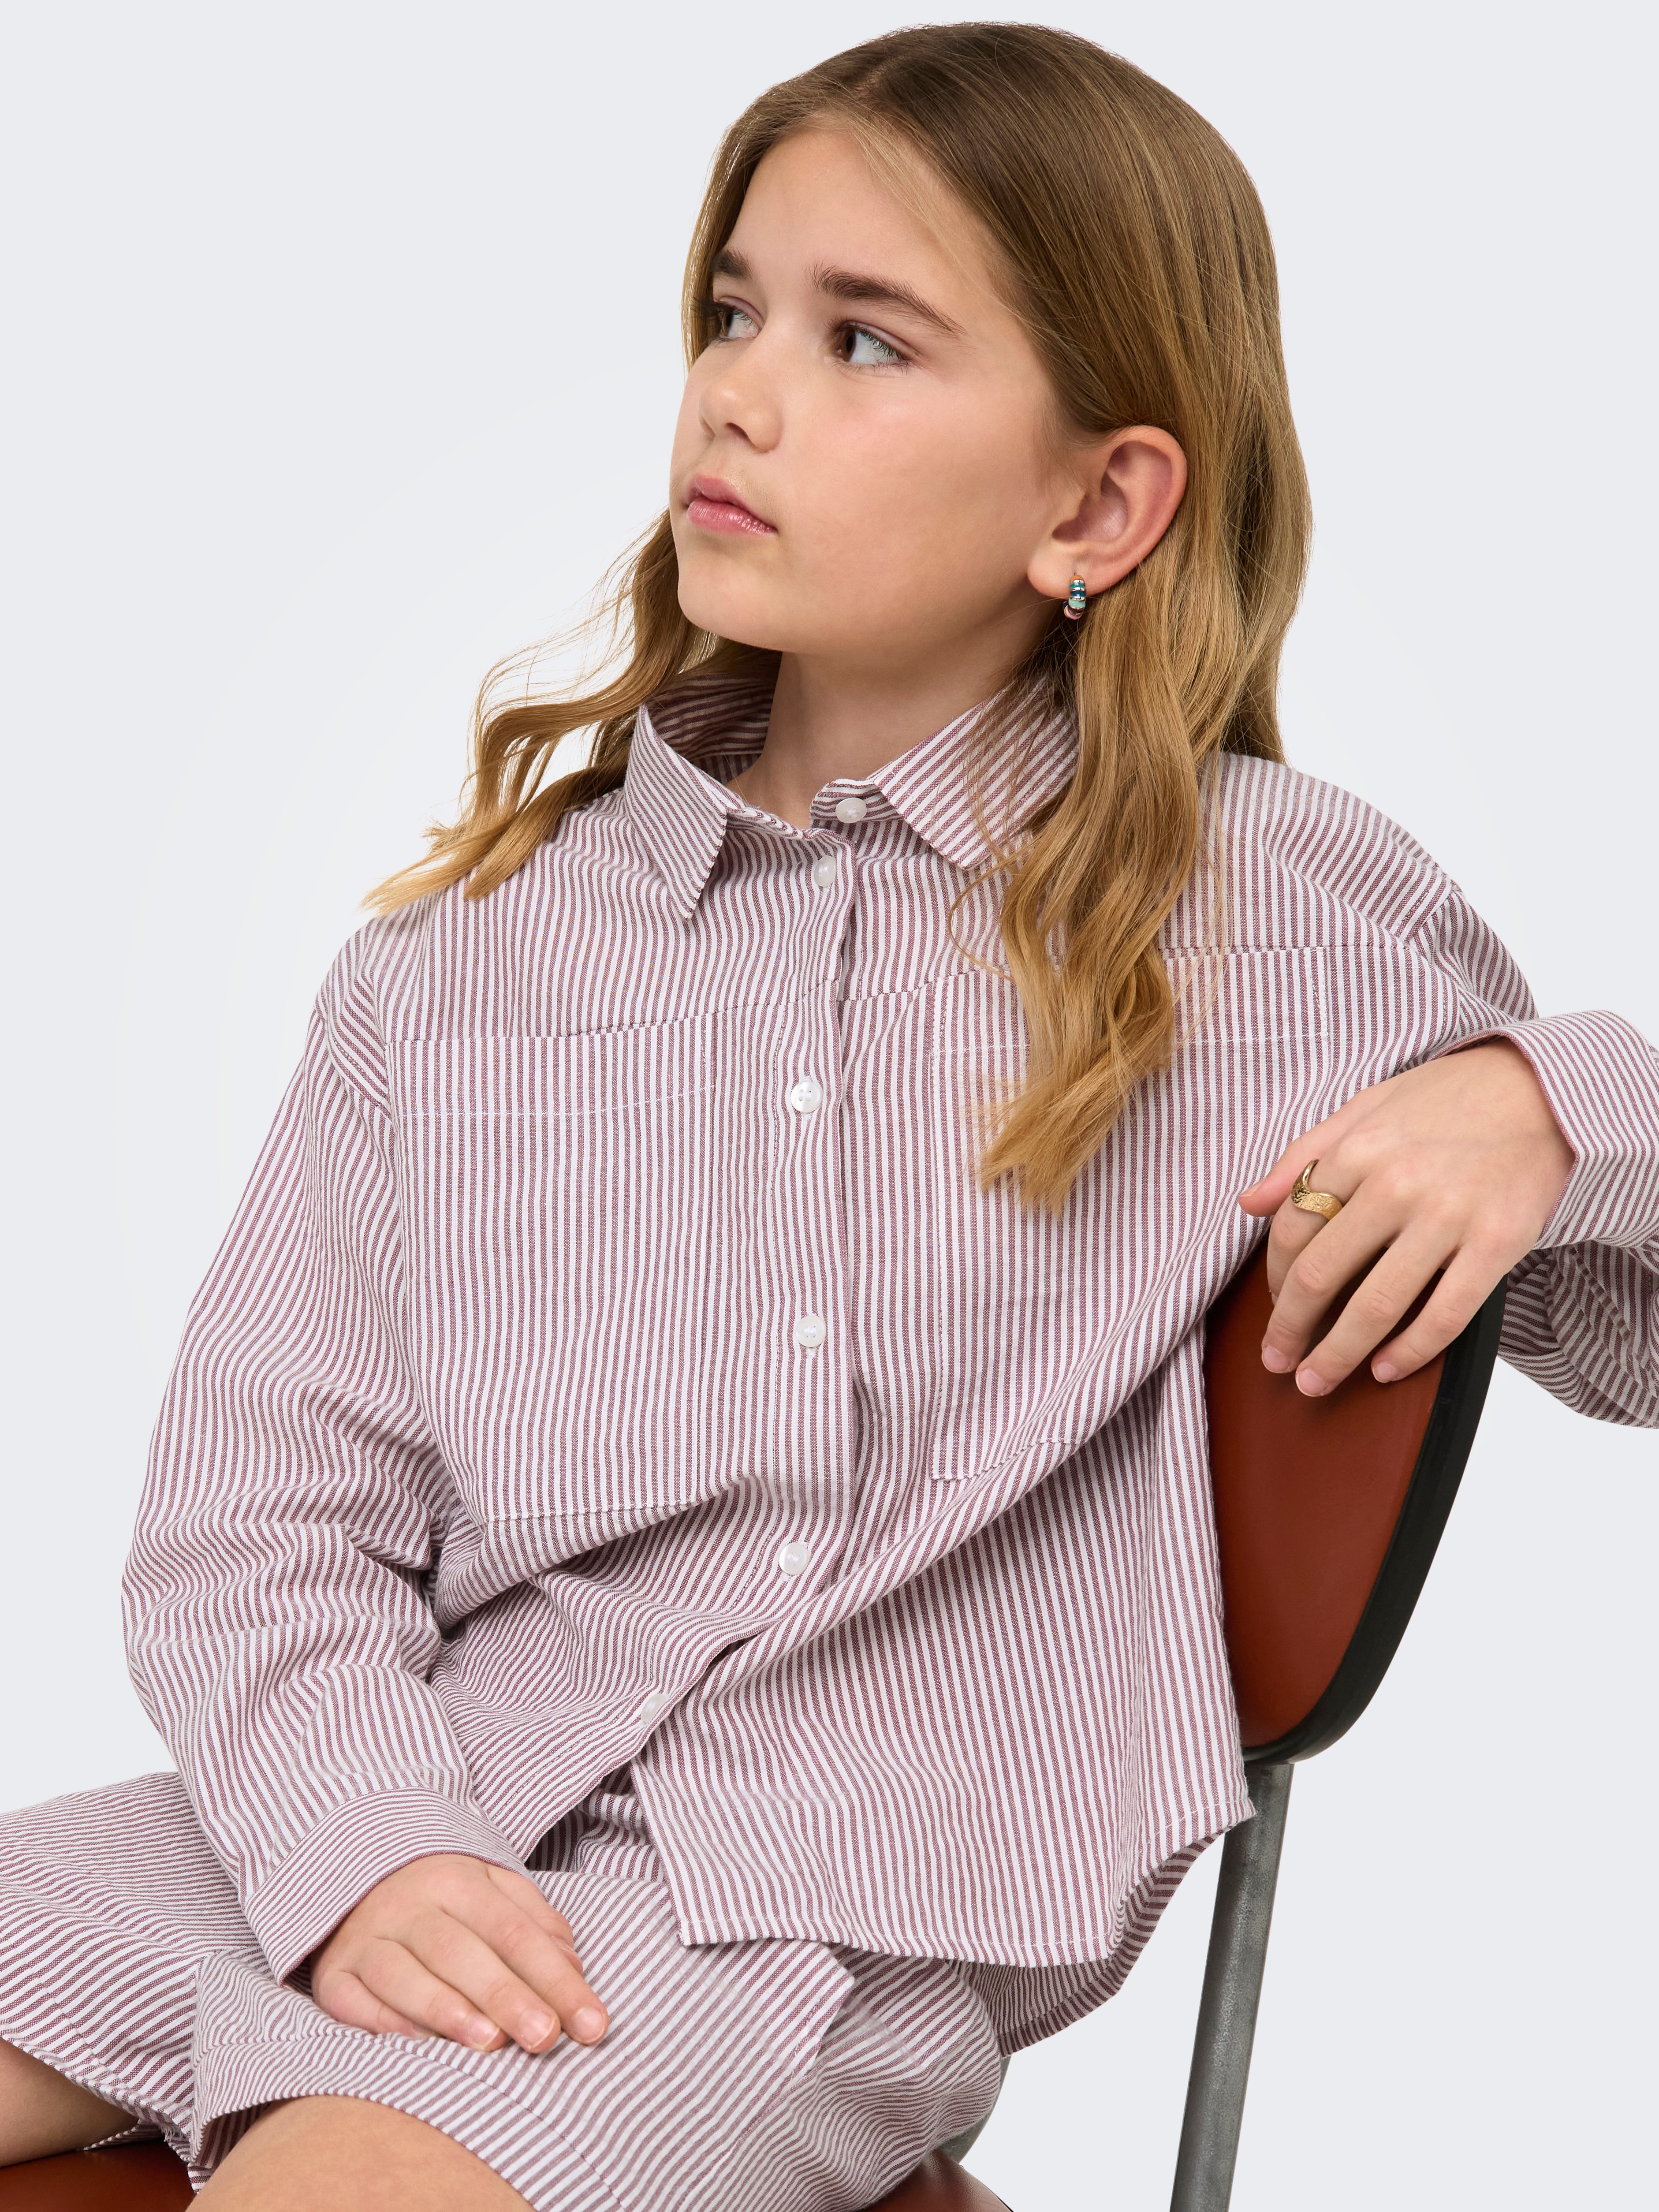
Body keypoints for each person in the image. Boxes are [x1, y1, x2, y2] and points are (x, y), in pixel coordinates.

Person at [1, 23, 1653, 2212]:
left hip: (800, 1914)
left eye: (864, 340)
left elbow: (1628, 1334)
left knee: (348, 2186)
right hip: (366, 1807)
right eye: (731, 312)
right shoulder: (471, 953)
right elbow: (261, 1515)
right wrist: (366, 1846)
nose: (739, 395)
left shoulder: (1274, 916)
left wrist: (1545, 1102)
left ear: (1095, 507)